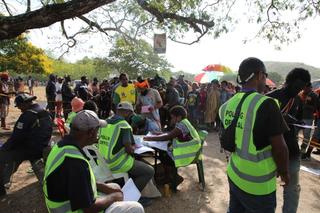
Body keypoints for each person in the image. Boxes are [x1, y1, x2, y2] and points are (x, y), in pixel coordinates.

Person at [219, 57, 289, 213]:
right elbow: (280, 149)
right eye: (265, 75)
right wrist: (284, 173)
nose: (266, 79)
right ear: (259, 75)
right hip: (259, 184)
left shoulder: (225, 107)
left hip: (234, 173)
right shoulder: (266, 103)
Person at [43, 110, 144, 213]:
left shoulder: (61, 146)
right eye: (98, 129)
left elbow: (78, 182)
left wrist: (104, 187)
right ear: (91, 132)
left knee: (115, 187)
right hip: (74, 210)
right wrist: (114, 197)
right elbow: (89, 209)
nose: (98, 133)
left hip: (69, 199)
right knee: (136, 208)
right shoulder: (76, 163)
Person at [267, 68, 311, 213]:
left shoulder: (297, 99)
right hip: (269, 151)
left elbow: (297, 119)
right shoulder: (270, 98)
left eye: (302, 87)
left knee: (292, 190)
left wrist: (299, 123)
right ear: (288, 82)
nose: (299, 90)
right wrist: (279, 118)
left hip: (291, 151)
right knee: (267, 190)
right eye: (297, 86)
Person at [98, 101, 154, 205]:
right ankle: (130, 198)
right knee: (149, 171)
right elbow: (129, 150)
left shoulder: (105, 122)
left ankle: (126, 187)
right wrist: (134, 146)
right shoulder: (124, 125)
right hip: (117, 163)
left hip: (103, 162)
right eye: (131, 115)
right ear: (127, 112)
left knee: (138, 166)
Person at [0, 93, 53, 196]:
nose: (19, 109)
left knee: (5, 156)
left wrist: (4, 149)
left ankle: (3, 184)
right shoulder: (44, 112)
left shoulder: (28, 115)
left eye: (19, 106)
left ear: (25, 104)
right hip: (45, 145)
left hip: (31, 149)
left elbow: (16, 137)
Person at [144, 106, 201, 188]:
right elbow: (172, 132)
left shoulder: (182, 125)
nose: (171, 120)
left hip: (189, 153)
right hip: (190, 149)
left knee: (165, 156)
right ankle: (169, 176)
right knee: (163, 153)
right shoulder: (183, 122)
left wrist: (150, 138)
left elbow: (169, 136)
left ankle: (174, 178)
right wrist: (159, 133)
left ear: (179, 117)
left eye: (173, 117)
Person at [299, 83, 319, 160]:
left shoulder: (314, 95)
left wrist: (305, 105)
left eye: (306, 88)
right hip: (299, 117)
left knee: (306, 135)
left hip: (308, 118)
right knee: (295, 133)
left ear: (310, 87)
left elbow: (315, 107)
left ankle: (303, 150)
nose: (304, 89)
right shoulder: (301, 93)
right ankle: (294, 149)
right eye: (304, 87)